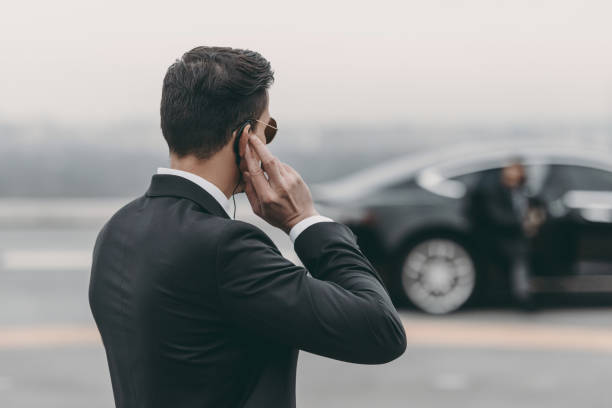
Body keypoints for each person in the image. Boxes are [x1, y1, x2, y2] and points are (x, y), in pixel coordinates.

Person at [88, 46, 406, 408]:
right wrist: (305, 221)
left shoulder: (117, 230)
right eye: (267, 129)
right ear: (246, 139)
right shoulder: (226, 248)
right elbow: (380, 331)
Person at [464, 158, 544, 308]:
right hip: (500, 236)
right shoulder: (493, 190)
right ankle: (522, 295)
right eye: (511, 169)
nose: (514, 173)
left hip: (519, 236)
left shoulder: (523, 191)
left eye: (518, 169)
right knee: (519, 254)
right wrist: (523, 224)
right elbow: (496, 216)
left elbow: (536, 208)